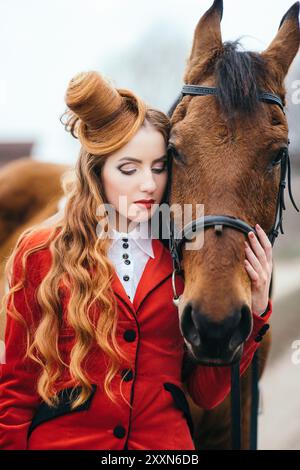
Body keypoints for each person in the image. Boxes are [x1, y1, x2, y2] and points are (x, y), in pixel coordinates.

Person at [0, 71, 273, 450]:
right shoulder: (39, 252)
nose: (148, 184)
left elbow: (205, 394)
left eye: (159, 168)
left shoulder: (180, 260)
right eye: (129, 169)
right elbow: (17, 388)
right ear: (98, 171)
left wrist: (256, 314)